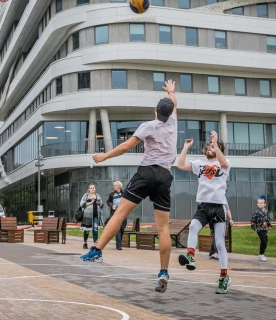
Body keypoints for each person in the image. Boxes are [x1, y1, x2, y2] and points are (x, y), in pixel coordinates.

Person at [81, 80, 178, 294]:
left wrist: (104, 155)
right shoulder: (173, 123)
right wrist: (171, 91)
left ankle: (97, 251)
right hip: (164, 175)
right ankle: (163, 272)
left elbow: (126, 146)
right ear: (171, 113)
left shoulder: (149, 126)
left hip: (146, 172)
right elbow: (174, 103)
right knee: (163, 228)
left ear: (155, 111)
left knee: (120, 213)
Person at [175, 132, 234, 294]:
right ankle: (190, 256)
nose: (210, 148)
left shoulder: (224, 163)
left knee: (220, 243)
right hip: (203, 205)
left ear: (219, 149)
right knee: (193, 226)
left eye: (213, 146)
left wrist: (215, 143)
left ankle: (224, 278)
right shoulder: (199, 164)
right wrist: (185, 148)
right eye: (208, 146)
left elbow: (223, 162)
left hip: (218, 206)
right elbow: (180, 165)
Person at [80, 184, 103, 249]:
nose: (92, 189)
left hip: (96, 215)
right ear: (89, 189)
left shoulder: (98, 196)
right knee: (87, 229)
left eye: (93, 188)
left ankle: (95, 243)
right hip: (88, 215)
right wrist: (91, 202)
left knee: (95, 229)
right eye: (91, 188)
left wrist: (99, 203)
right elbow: (81, 204)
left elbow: (101, 204)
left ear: (95, 189)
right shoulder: (86, 196)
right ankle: (85, 242)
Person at [251, 195, 272, 262]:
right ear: (257, 204)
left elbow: (268, 219)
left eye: (262, 203)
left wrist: (270, 225)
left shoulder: (266, 212)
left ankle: (261, 253)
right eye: (259, 203)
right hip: (259, 229)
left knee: (266, 242)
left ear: (264, 204)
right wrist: (254, 228)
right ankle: (261, 254)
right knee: (263, 241)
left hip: (265, 228)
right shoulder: (256, 213)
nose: (260, 204)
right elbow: (252, 221)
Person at [107, 181, 126, 250]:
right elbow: (108, 201)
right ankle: (118, 245)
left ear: (119, 186)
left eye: (115, 185)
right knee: (117, 229)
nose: (114, 186)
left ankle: (119, 242)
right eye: (114, 185)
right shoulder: (112, 194)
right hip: (115, 213)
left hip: (123, 213)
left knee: (122, 228)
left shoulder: (124, 194)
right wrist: (112, 206)